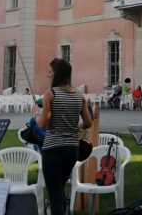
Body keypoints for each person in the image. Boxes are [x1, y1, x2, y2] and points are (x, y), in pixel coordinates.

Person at [35, 58, 92, 215]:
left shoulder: (50, 94)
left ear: (57, 74)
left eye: (50, 72)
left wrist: (36, 115)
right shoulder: (79, 96)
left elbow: (43, 124)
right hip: (71, 150)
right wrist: (74, 126)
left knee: (55, 196)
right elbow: (87, 123)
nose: (48, 75)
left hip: (52, 149)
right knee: (59, 188)